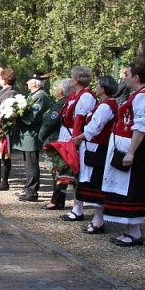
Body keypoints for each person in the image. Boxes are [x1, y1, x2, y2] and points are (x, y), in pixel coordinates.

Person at [101, 61, 145, 246]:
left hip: (136, 150)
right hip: (125, 147)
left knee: (132, 189)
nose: (124, 78)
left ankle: (135, 232)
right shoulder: (136, 95)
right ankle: (130, 230)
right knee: (125, 189)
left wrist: (131, 152)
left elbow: (141, 127)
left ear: (136, 77)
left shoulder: (144, 97)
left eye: (127, 75)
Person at [70, 75, 119, 233]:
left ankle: (98, 221)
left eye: (98, 85)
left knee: (97, 183)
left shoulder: (106, 106)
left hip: (98, 148)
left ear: (103, 89)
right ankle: (97, 219)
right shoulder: (105, 105)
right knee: (94, 182)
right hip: (95, 147)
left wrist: (78, 138)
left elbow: (94, 127)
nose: (95, 88)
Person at [60, 66, 97, 222]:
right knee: (71, 172)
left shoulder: (86, 96)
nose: (71, 80)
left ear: (79, 79)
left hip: (76, 138)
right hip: (67, 133)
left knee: (78, 172)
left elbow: (79, 120)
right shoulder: (74, 95)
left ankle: (78, 209)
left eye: (73, 77)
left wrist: (74, 140)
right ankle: (75, 207)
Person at [15, 71, 51, 203]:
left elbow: (33, 117)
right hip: (28, 134)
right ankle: (28, 188)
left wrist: (17, 120)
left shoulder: (40, 97)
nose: (27, 83)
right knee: (28, 162)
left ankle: (32, 191)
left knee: (31, 163)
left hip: (33, 134)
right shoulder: (34, 95)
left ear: (35, 83)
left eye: (29, 81)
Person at [41, 78, 72, 210]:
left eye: (57, 88)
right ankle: (57, 199)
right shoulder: (63, 102)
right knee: (57, 171)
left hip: (57, 139)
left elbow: (49, 121)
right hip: (57, 139)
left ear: (61, 90)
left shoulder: (62, 104)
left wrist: (41, 136)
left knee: (59, 170)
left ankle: (57, 200)